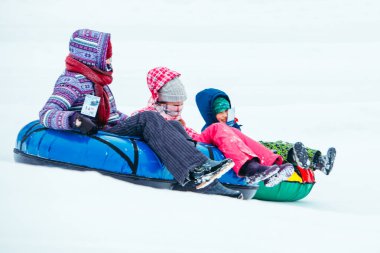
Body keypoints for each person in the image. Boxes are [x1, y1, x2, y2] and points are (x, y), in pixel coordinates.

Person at [38, 29, 238, 197]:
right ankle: (198, 168)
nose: (109, 59)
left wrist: (136, 120)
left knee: (173, 125)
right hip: (95, 135)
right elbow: (47, 114)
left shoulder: (98, 82)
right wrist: (75, 120)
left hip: (109, 129)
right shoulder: (71, 82)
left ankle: (204, 182)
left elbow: (113, 115)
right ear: (91, 56)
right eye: (106, 55)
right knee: (149, 117)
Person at [132, 67, 297, 187]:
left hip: (195, 140)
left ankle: (271, 164)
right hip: (182, 146)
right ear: (159, 99)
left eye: (181, 104)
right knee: (217, 128)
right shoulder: (147, 115)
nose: (179, 109)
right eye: (175, 104)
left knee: (230, 130)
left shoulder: (175, 116)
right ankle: (249, 168)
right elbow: (145, 130)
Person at [196, 88, 337, 176]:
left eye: (227, 110)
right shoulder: (210, 130)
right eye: (221, 112)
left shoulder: (230, 123)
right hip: (247, 156)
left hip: (250, 147)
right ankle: (295, 159)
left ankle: (318, 161)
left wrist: (233, 125)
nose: (225, 115)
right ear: (210, 114)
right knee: (271, 150)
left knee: (279, 145)